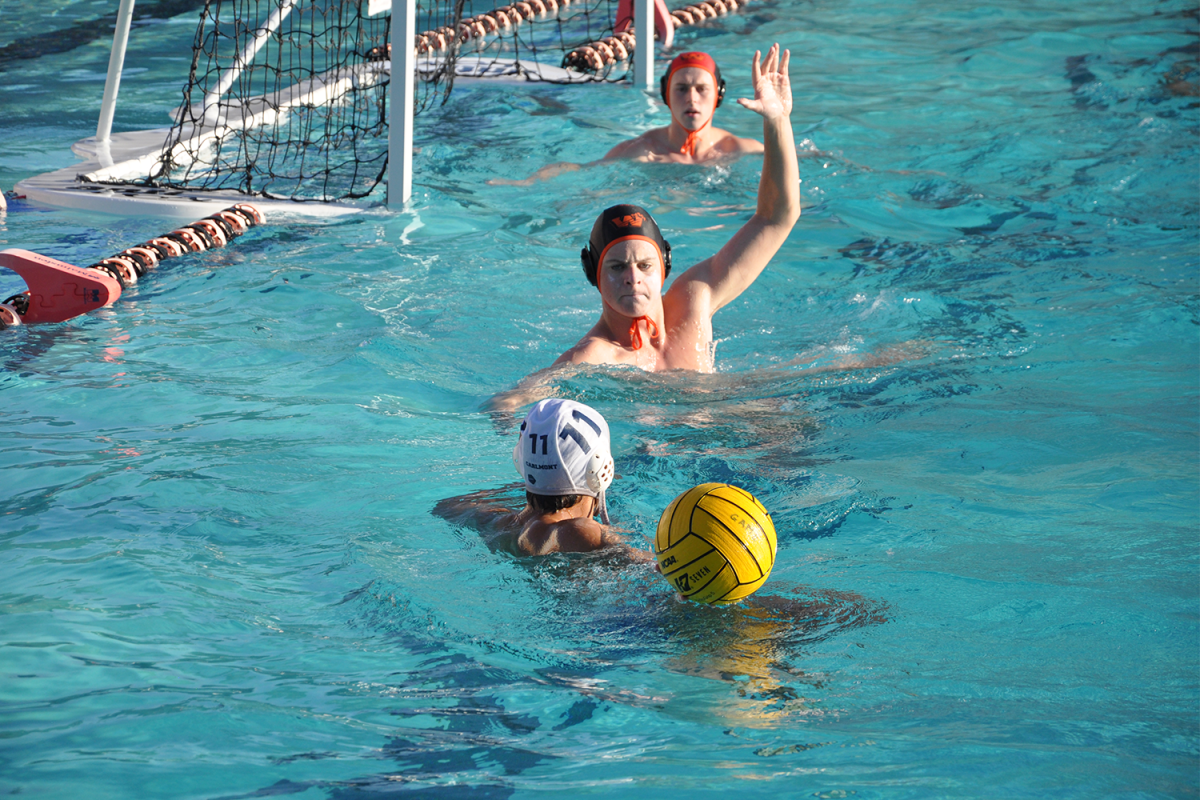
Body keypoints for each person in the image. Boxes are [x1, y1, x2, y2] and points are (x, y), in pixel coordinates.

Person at [564, 44, 798, 373]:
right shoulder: (593, 356)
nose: (633, 279)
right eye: (617, 267)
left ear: (665, 266)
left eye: (645, 265)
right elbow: (514, 400)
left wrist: (777, 121)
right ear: (593, 274)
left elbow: (776, 218)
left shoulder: (693, 302)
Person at [488, 49, 769, 186]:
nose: (692, 98)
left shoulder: (739, 149)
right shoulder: (643, 152)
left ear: (718, 95)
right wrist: (526, 183)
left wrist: (777, 119)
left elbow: (800, 158)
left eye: (702, 89)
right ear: (665, 94)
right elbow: (580, 168)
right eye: (681, 88)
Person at [434, 398, 649, 558]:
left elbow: (447, 506)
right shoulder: (581, 532)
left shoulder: (498, 523)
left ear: (520, 458)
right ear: (601, 470)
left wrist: (537, 478)